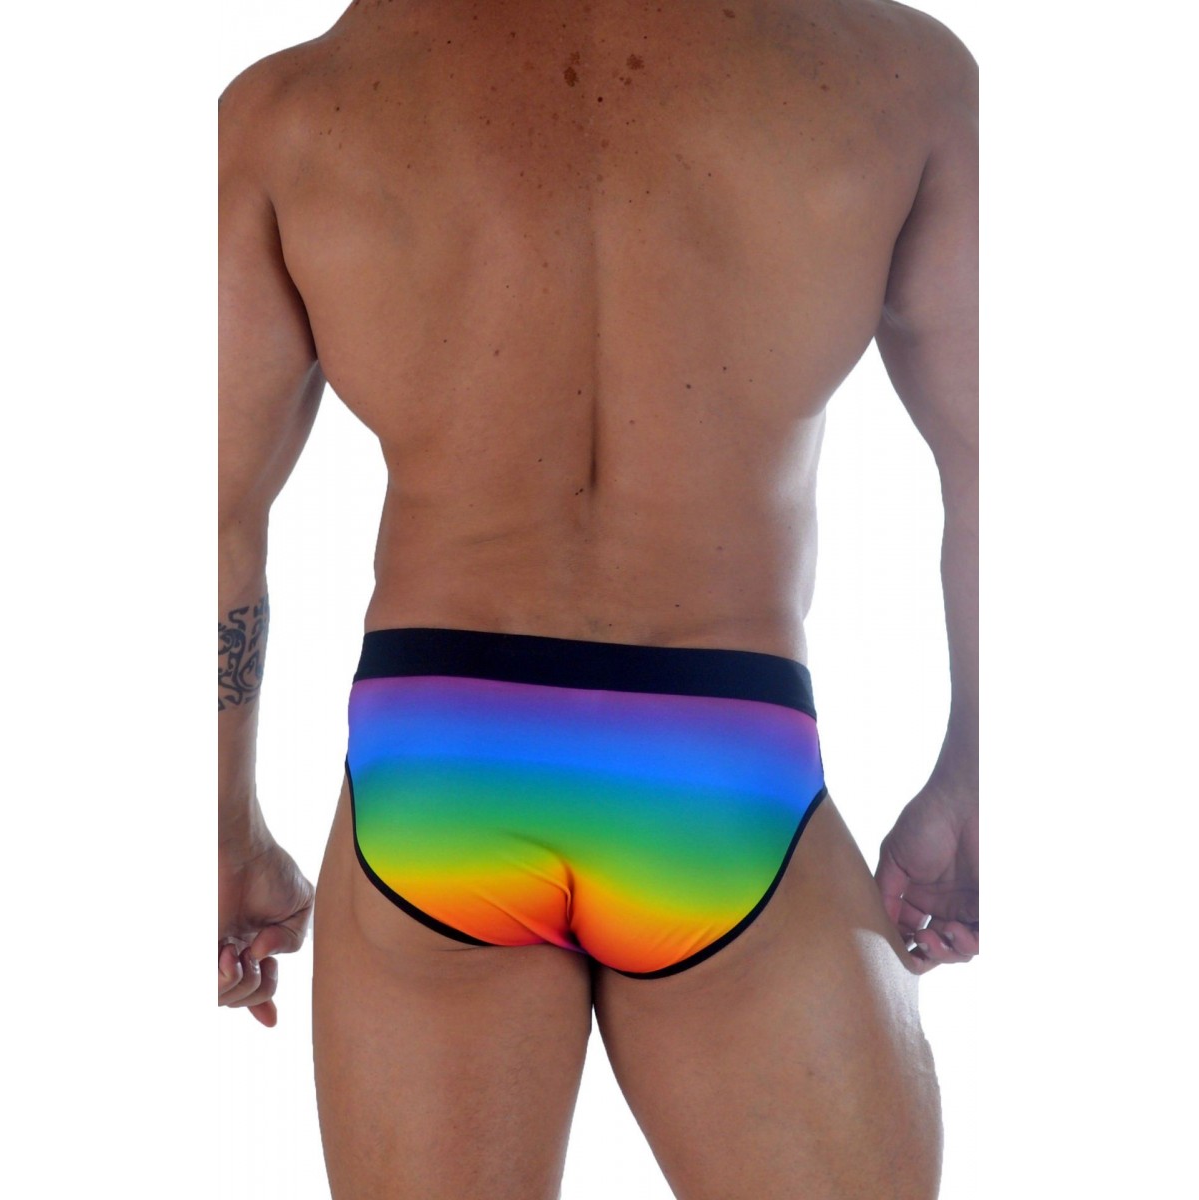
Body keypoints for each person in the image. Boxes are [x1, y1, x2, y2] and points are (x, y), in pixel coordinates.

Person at [218, 0, 977, 1196]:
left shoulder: (295, 107)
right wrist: (980, 774)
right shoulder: (893, 74)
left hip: (439, 762)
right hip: (722, 753)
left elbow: (213, 513)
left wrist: (222, 829)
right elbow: (999, 467)